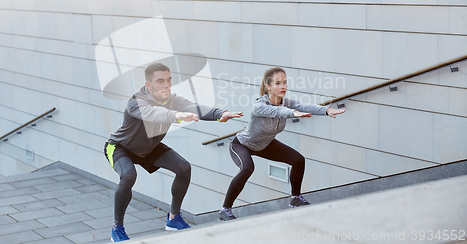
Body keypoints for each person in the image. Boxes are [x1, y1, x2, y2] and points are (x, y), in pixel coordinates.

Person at [104, 63, 243, 242]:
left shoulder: (173, 99)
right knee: (129, 175)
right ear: (148, 85)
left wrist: (221, 113)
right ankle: (117, 228)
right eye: (160, 81)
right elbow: (153, 113)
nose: (166, 85)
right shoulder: (136, 102)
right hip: (120, 147)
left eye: (169, 80)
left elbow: (195, 108)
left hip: (148, 148)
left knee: (183, 168)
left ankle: (173, 218)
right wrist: (176, 115)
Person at [218, 67, 345, 221]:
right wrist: (292, 113)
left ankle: (296, 198)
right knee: (247, 168)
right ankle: (225, 210)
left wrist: (327, 110)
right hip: (243, 144)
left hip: (265, 144)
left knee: (298, 160)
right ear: (268, 86)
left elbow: (304, 106)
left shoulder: (286, 102)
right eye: (278, 83)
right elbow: (277, 112)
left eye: (284, 82)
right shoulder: (259, 106)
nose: (283, 86)